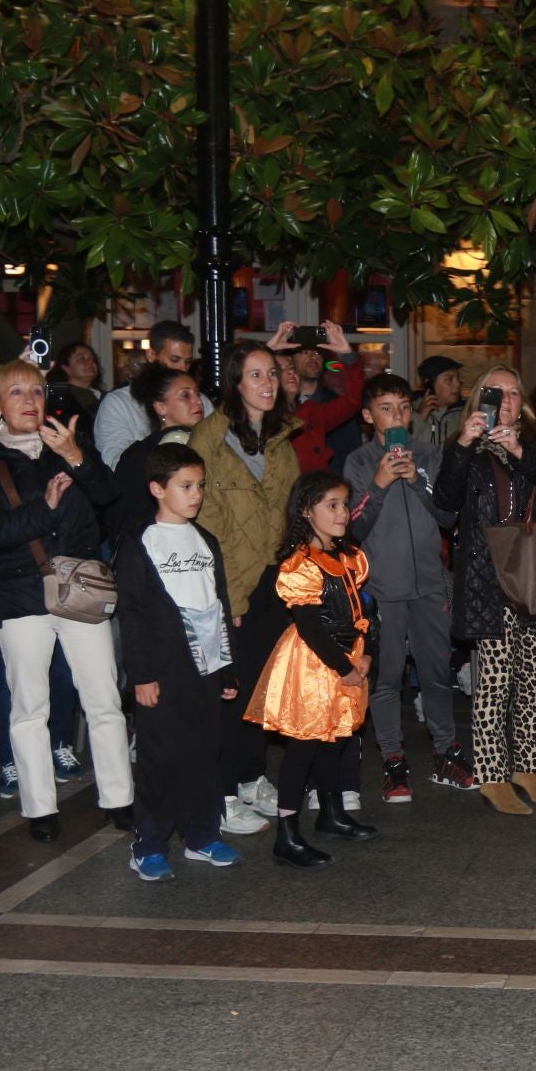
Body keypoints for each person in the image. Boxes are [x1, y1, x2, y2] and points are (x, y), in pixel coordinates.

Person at [0, 359, 134, 841]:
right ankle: (40, 808)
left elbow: (109, 495)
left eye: (36, 392)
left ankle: (119, 799)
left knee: (104, 700)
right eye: (16, 393)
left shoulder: (69, 450)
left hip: (80, 589)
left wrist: (77, 456)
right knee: (29, 707)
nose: (29, 401)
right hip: (19, 596)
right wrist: (46, 508)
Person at [433, 365, 536, 816]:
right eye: (496, 393)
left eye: (513, 392)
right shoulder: (465, 449)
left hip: (535, 574)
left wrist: (519, 450)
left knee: (532, 676)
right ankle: (492, 774)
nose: (506, 400)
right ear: (479, 399)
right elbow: (445, 506)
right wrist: (464, 445)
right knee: (494, 679)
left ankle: (527, 767)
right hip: (488, 578)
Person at [114, 443, 244, 880]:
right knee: (160, 758)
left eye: (200, 486)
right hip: (163, 671)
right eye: (185, 486)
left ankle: (202, 835)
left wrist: (227, 667)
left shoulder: (205, 540)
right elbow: (131, 614)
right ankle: (149, 843)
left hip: (205, 668)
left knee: (205, 753)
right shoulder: (139, 543)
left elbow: (218, 605)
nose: (196, 495)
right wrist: (142, 675)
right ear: (157, 488)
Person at [344, 373, 472, 801]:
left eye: (402, 407)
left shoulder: (430, 455)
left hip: (430, 585)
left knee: (437, 673)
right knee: (387, 678)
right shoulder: (359, 462)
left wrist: (417, 481)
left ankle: (445, 750)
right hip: (383, 586)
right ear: (368, 416)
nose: (396, 416)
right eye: (386, 408)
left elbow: (447, 516)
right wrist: (379, 485)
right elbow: (354, 526)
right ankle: (394, 761)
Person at [189, 340, 302, 821]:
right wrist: (229, 593)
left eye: (272, 373)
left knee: (264, 689)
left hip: (275, 582)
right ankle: (223, 791)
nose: (267, 383)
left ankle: (253, 777)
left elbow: (294, 511)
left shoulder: (280, 439)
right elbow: (203, 520)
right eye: (255, 375)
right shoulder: (209, 439)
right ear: (235, 383)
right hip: (229, 584)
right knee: (229, 691)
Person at [243, 472, 378, 867]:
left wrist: (366, 652)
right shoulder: (300, 564)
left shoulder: (350, 557)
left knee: (335, 742)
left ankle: (331, 815)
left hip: (347, 659)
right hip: (315, 666)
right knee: (303, 747)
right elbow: (311, 627)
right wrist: (343, 668)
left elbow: (363, 612)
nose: (342, 513)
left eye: (344, 505)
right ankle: (287, 834)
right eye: (331, 505)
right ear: (307, 511)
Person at [108, 363, 207, 541]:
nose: (198, 401)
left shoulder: (203, 443)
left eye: (197, 393)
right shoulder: (144, 453)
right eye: (185, 395)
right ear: (160, 407)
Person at [93, 321, 196, 468]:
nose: (182, 368)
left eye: (188, 362)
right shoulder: (119, 404)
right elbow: (115, 463)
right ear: (151, 354)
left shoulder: (198, 400)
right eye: (174, 360)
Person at [271, 323, 365, 474]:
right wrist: (268, 349)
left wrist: (348, 355)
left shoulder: (312, 412)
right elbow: (241, 384)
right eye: (305, 352)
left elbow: (354, 399)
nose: (312, 357)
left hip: (316, 489)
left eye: (317, 352)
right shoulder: (263, 410)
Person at [414, 354, 467, 446]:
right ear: (429, 384)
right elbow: (399, 445)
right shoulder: (407, 410)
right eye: (449, 379)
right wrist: (420, 417)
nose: (457, 384)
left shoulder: (464, 412)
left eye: (458, 379)